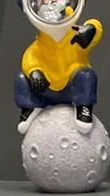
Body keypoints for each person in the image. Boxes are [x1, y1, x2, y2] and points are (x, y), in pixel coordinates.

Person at [15, 1, 102, 134]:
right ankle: (31, 105)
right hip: (45, 89)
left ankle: (84, 106)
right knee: (22, 79)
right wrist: (34, 71)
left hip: (73, 88)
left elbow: (95, 29)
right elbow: (30, 58)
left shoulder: (77, 37)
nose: (52, 5)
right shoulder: (38, 47)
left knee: (86, 75)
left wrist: (91, 28)